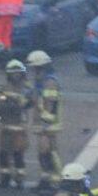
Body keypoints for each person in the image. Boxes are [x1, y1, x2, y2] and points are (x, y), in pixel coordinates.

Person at [0, 59, 34, 189]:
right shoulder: (4, 88)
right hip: (5, 125)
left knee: (18, 153)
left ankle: (19, 179)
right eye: (13, 73)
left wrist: (13, 102)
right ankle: (5, 178)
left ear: (22, 74)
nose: (16, 75)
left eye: (18, 73)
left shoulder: (27, 88)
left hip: (19, 125)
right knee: (3, 153)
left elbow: (27, 103)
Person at [27, 49, 63, 188]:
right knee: (43, 151)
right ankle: (46, 179)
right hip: (42, 123)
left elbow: (51, 103)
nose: (33, 71)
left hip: (49, 124)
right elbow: (33, 98)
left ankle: (55, 180)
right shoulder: (39, 81)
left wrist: (46, 121)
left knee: (48, 151)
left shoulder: (49, 82)